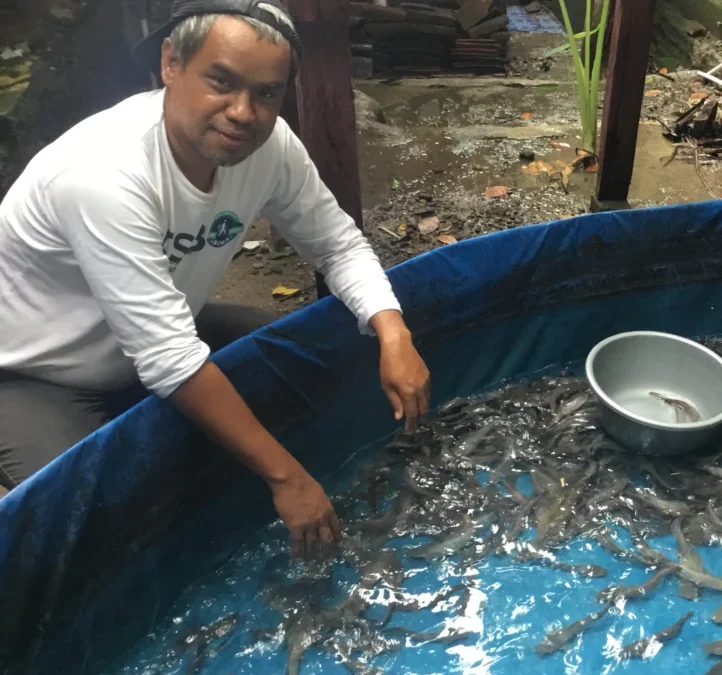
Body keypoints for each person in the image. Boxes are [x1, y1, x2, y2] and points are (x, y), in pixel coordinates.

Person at [0, 0, 431, 559]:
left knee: (305, 360)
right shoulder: (103, 174)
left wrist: (394, 335)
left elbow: (337, 243)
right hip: (38, 374)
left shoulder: (270, 149)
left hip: (163, 334)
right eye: (221, 82)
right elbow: (170, 358)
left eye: (266, 93)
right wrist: (287, 480)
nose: (242, 112)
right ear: (171, 64)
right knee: (99, 526)